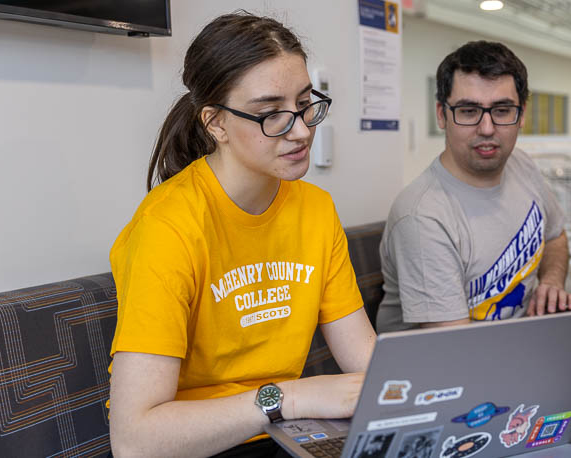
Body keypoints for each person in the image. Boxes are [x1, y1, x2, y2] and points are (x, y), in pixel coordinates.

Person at [376, 40, 571, 458]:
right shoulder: (424, 216)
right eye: (469, 110)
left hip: (524, 351)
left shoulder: (522, 167)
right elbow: (458, 358)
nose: (488, 127)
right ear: (442, 114)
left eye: (502, 110)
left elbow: (555, 237)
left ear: (521, 113)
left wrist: (550, 279)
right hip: (445, 388)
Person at [107, 12, 376, 457]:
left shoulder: (316, 210)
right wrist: (288, 397)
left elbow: (366, 362)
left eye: (306, 103)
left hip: (291, 434)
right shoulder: (168, 225)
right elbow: (135, 442)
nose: (302, 130)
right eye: (271, 114)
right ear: (215, 123)